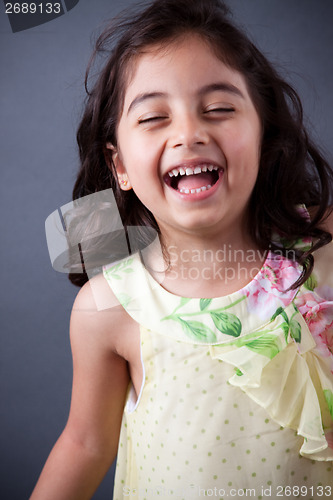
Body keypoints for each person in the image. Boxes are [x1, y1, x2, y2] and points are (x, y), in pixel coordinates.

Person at [31, 0, 333, 499]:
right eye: (153, 118)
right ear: (120, 166)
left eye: (219, 109)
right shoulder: (110, 308)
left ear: (264, 136)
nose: (189, 133)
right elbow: (85, 443)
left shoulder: (322, 249)